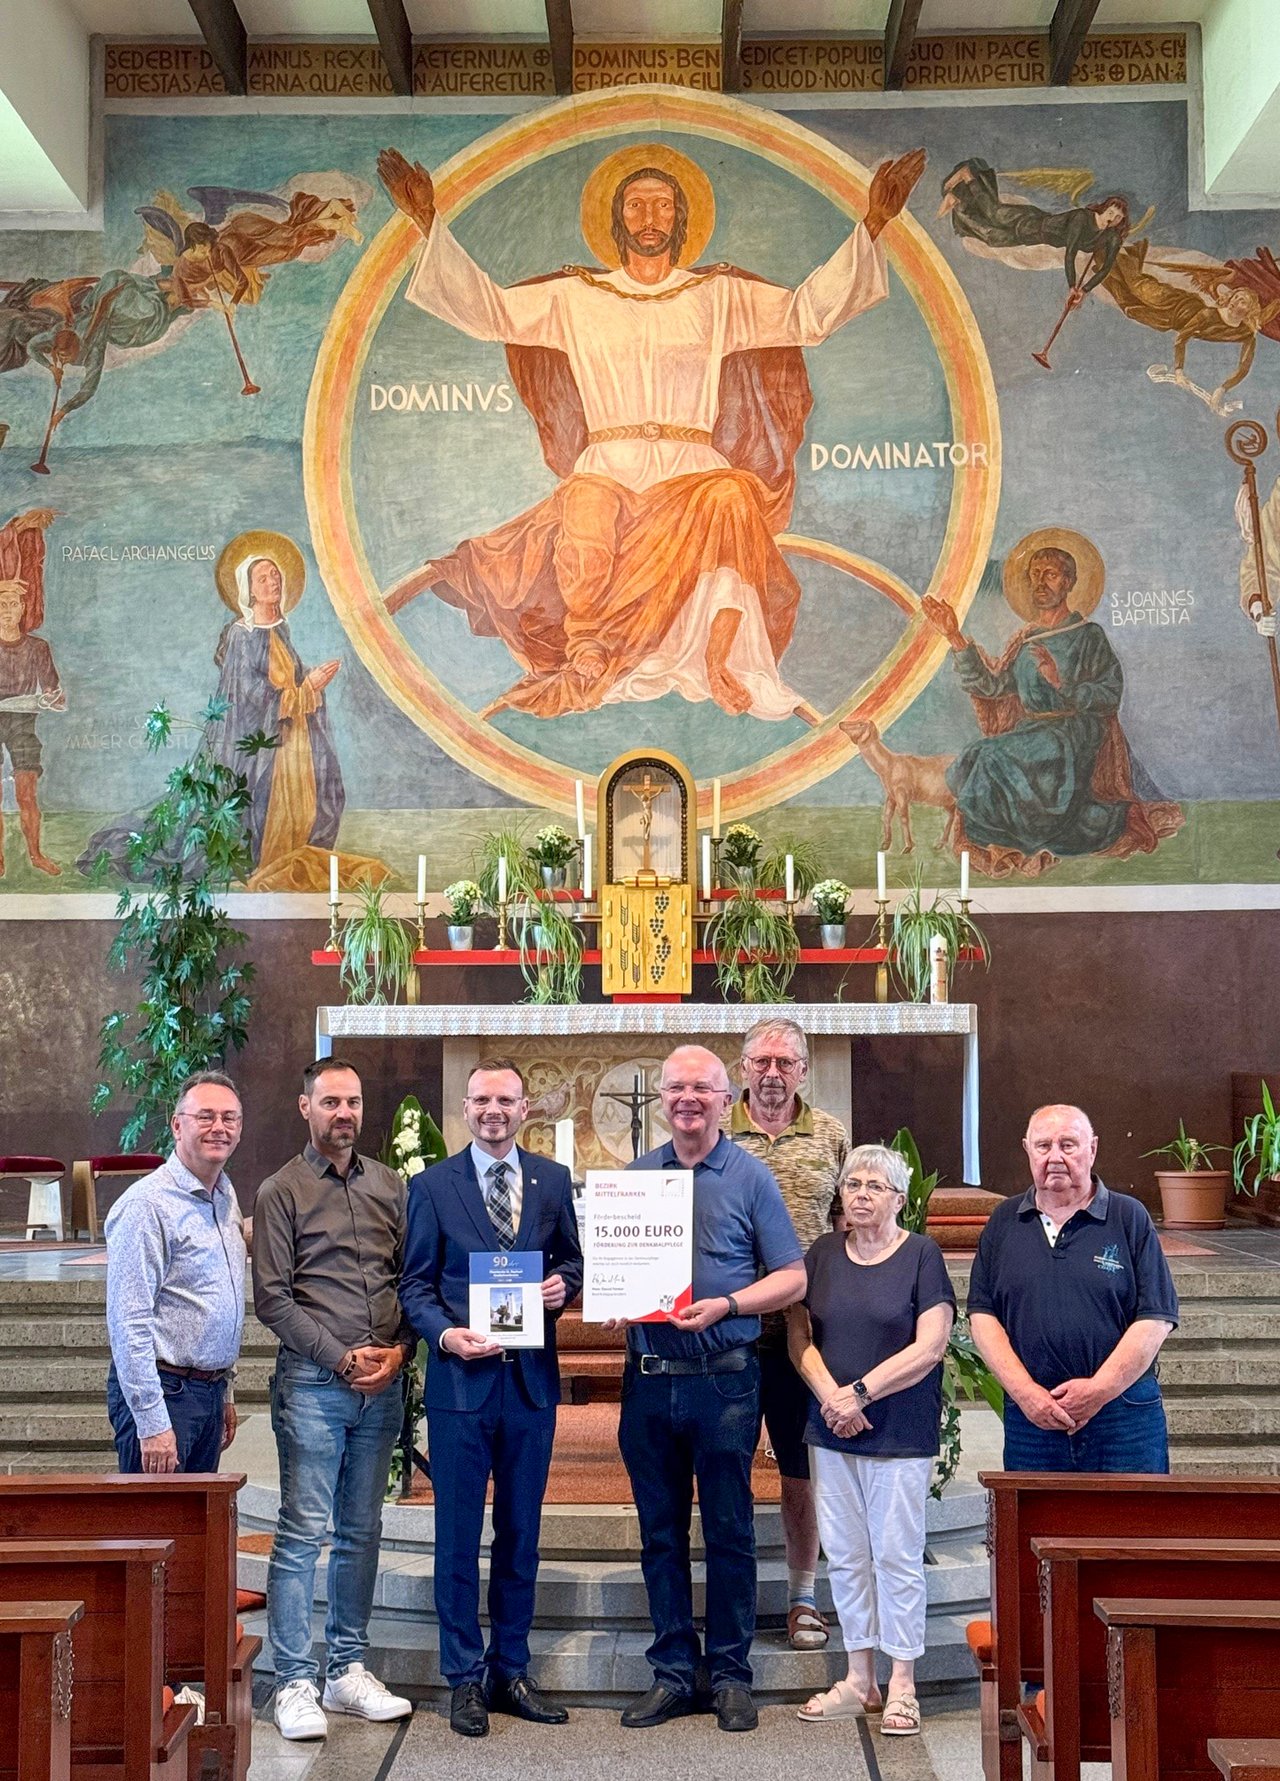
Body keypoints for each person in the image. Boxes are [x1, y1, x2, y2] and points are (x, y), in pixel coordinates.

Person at [376, 144, 924, 721]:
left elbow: (804, 315)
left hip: (690, 465)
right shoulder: (575, 296)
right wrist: (426, 221)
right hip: (609, 460)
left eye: (662, 207)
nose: (649, 219)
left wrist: (875, 223)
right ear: (617, 220)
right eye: (636, 206)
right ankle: (586, 645)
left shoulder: (717, 295)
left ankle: (720, 658)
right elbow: (491, 311)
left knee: (734, 496)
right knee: (585, 504)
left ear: (681, 220)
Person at [617, 1044, 805, 1735]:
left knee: (729, 1531)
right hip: (648, 1384)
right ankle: (672, 1671)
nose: (687, 1097)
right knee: (659, 1534)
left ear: (728, 1100)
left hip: (724, 1381)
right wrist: (614, 1290)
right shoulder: (637, 1176)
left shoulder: (750, 1175)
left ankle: (729, 1673)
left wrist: (728, 1304)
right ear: (662, 1098)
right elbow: (614, 1270)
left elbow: (792, 1277)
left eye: (702, 1086)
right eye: (676, 1086)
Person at [400, 1059, 582, 1739]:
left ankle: (510, 1668)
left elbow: (573, 1259)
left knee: (520, 1536)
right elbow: (414, 1285)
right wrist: (446, 1334)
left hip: (530, 1384)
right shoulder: (432, 1185)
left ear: (524, 1105)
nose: (493, 1110)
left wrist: (565, 1286)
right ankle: (464, 1677)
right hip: (462, 1386)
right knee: (456, 1538)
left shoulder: (552, 1180)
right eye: (482, 1099)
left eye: (506, 1099)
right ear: (466, 1106)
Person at [252, 1058, 415, 1740]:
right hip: (316, 1383)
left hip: (382, 1384)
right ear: (305, 1107)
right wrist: (341, 1356)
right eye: (330, 1102)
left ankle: (345, 1668)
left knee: (362, 1530)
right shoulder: (280, 1189)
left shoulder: (390, 1183)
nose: (343, 1113)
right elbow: (273, 1297)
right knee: (301, 1533)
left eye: (351, 1102)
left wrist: (400, 1349)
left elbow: (412, 1275)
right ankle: (292, 1676)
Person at [787, 1145, 955, 1739]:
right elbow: (800, 1336)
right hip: (833, 1430)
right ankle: (860, 1679)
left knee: (897, 1555)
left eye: (875, 1186)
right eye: (852, 1184)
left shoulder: (921, 1255)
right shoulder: (824, 1254)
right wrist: (833, 1397)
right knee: (848, 1554)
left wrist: (858, 1394)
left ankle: (904, 1682)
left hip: (897, 1430)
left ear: (899, 1199)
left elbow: (929, 1346)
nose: (860, 1194)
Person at [921, 536, 1183, 878]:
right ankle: (1012, 835)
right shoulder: (1026, 639)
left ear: (1070, 582)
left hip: (1072, 734)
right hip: (1033, 732)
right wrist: (955, 636)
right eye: (1035, 574)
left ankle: (1084, 822)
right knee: (978, 755)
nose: (1040, 582)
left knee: (992, 756)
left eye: (1051, 574)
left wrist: (1062, 683)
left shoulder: (1088, 635)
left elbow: (1109, 693)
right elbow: (994, 687)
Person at [725, 1017, 849, 1651]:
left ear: (804, 1069)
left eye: (785, 1062)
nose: (772, 1074)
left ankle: (802, 1597)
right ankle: (734, 1597)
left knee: (802, 1468)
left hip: (806, 1331)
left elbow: (846, 1225)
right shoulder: (715, 1129)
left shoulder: (830, 1135)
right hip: (728, 1328)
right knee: (726, 1466)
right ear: (742, 1068)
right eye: (760, 1062)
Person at [967, 1103, 1179, 1473]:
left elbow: (1155, 1318)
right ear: (1027, 1150)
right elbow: (983, 1316)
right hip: (1032, 1418)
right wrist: (1026, 1394)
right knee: (1034, 1529)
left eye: (1068, 1145)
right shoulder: (1003, 1222)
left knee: (1131, 1527)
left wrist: (1098, 1390)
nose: (1055, 1157)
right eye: (1043, 1146)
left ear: (1092, 1149)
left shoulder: (1129, 1218)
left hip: (1123, 1415)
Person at [104, 1070, 246, 1476]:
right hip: (165, 1393)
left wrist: (225, 1390)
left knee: (195, 1531)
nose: (219, 1127)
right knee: (153, 1532)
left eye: (229, 1118)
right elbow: (128, 1322)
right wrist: (151, 1423)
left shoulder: (223, 1193)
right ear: (177, 1125)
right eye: (206, 1117)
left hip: (207, 1390)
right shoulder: (147, 1205)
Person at [208, 548, 345, 891]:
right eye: (263, 577)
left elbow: (286, 680)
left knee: (309, 809)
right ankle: (268, 859)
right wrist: (306, 689)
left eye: (276, 576)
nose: (273, 582)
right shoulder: (242, 634)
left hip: (295, 737)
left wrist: (310, 683)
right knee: (273, 816)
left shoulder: (280, 629)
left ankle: (294, 854)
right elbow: (251, 696)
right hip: (268, 746)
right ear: (250, 590)